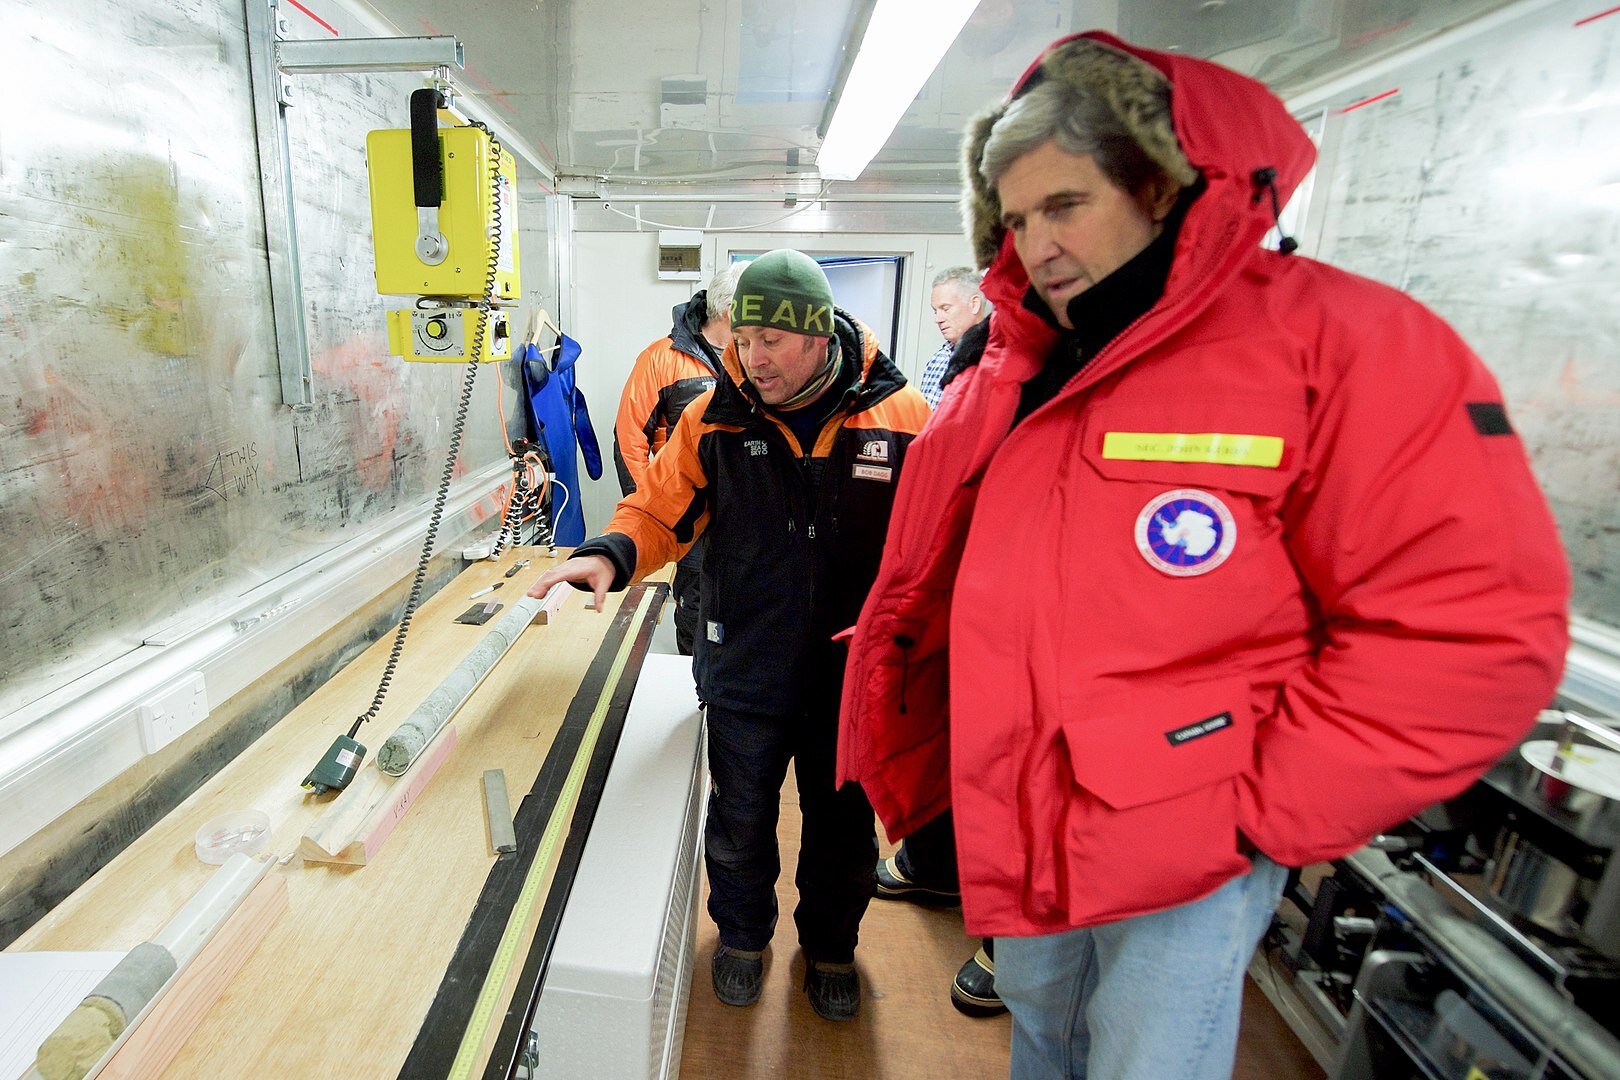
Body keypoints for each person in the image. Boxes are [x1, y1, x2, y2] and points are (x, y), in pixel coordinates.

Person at [836, 31, 1569, 1079]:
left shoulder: (1343, 346)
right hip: (1029, 801)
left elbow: (1469, 631)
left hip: (1188, 838)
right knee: (1042, 1044)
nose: (1036, 243)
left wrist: (1252, 811)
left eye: (1067, 204)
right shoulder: (1018, 367)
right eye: (1018, 216)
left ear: (1159, 184)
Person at [530, 249, 929, 1022]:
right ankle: (743, 938)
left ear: (818, 336)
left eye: (771, 340)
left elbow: (943, 534)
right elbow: (656, 509)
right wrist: (608, 553)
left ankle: (833, 947)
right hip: (746, 658)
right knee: (740, 818)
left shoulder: (902, 415)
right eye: (743, 339)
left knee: (843, 830)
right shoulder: (712, 415)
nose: (752, 358)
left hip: (853, 674)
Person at [612, 264, 742, 654]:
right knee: (697, 607)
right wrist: (655, 512)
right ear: (730, 310)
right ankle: (693, 689)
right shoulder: (660, 359)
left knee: (745, 608)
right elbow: (628, 438)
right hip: (689, 510)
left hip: (745, 511)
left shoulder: (759, 358)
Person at [916, 267, 991, 408]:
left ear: (974, 304)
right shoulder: (938, 359)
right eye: (935, 311)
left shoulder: (992, 361)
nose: (938, 319)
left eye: (946, 309)